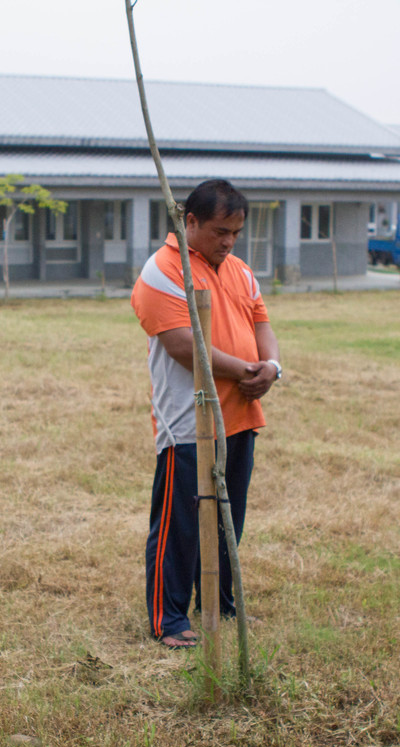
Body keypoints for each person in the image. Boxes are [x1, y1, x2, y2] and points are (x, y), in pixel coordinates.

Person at [131, 179, 281, 649]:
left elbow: (263, 324)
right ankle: (169, 619)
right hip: (187, 424)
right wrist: (247, 370)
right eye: (220, 231)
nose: (228, 241)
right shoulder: (162, 271)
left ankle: (221, 603)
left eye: (236, 232)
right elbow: (182, 345)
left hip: (240, 415)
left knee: (228, 519)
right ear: (189, 222)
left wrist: (271, 367)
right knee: (180, 524)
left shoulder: (241, 271)